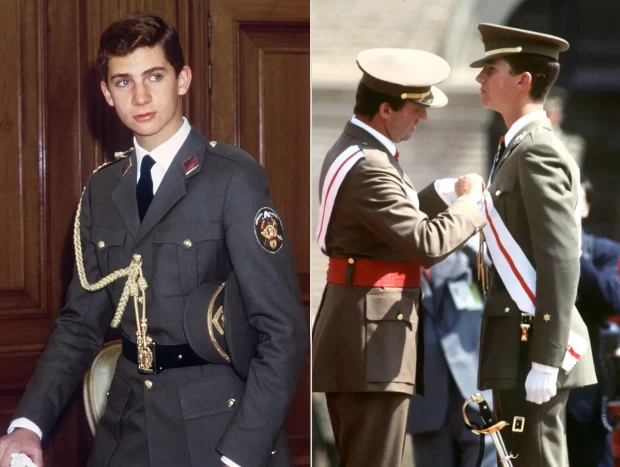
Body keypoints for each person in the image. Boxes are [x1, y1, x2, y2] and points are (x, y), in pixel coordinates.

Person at [0, 12, 307, 467]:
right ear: (106, 93)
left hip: (218, 431)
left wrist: (239, 455)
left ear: (182, 80)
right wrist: (28, 425)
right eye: (123, 82)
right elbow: (79, 325)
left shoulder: (231, 180)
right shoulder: (102, 191)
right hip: (127, 429)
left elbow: (282, 331)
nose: (140, 97)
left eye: (154, 76)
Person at [312, 48, 487, 467]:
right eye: (415, 108)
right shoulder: (370, 164)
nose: (422, 118)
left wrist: (437, 195)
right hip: (374, 344)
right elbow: (424, 244)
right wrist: (468, 207)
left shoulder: (362, 151)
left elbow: (380, 233)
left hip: (367, 334)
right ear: (386, 110)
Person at [469, 23, 597, 466]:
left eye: (491, 69)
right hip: (514, 337)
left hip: (532, 343)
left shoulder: (536, 149)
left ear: (523, 80)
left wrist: (546, 358)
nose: (480, 78)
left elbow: (560, 257)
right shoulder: (514, 147)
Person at [408, 240, 495, 467]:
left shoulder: (467, 257)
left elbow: (500, 273)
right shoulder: (392, 265)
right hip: (425, 397)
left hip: (473, 388)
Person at [566, 179, 620, 467]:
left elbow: (612, 299)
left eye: (573, 201)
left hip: (586, 384)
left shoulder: (603, 251)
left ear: (585, 208)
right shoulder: (532, 252)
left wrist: (574, 255)